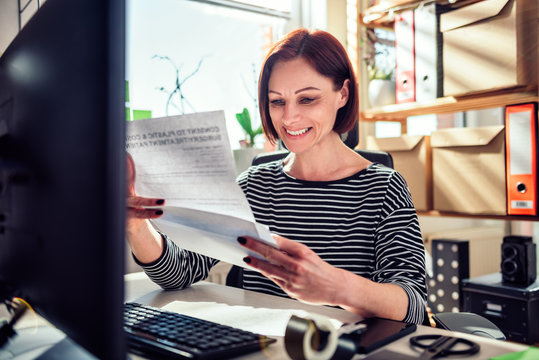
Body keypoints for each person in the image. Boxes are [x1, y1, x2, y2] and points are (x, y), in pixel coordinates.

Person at [126, 28, 427, 325]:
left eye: (307, 99)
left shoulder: (384, 187)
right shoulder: (254, 185)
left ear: (343, 94)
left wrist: (337, 286)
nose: (289, 118)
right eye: (277, 101)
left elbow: (412, 304)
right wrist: (137, 227)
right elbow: (179, 273)